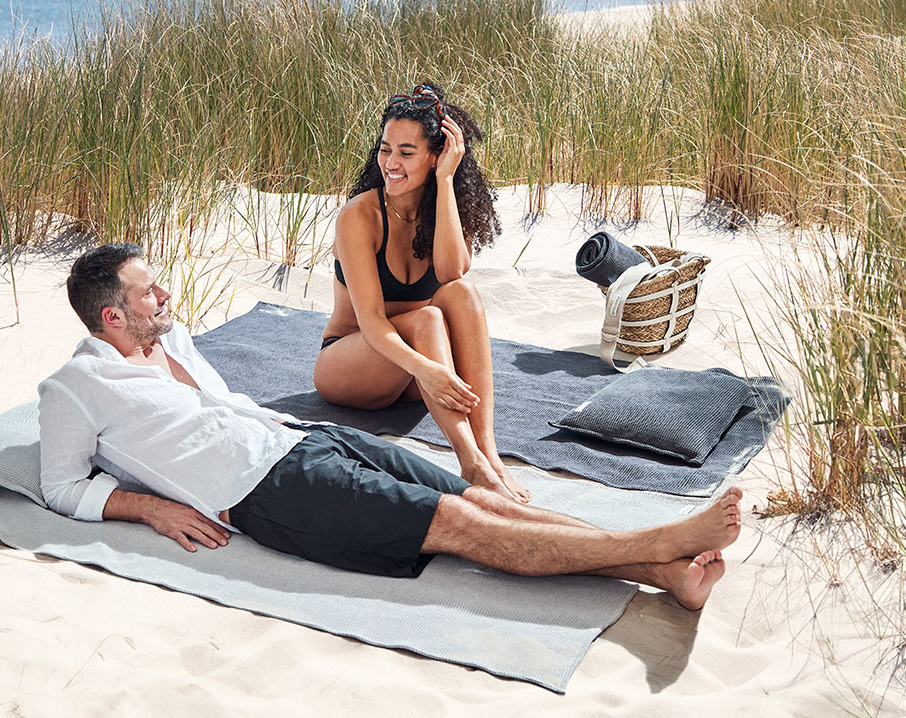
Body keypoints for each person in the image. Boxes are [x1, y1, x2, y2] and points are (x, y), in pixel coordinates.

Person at [38, 243, 741, 608]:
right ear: (113, 316)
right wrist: (150, 507)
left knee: (483, 500)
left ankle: (663, 572)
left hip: (302, 438)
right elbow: (61, 485)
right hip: (269, 492)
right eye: (149, 292)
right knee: (462, 526)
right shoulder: (75, 387)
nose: (166, 295)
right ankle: (661, 540)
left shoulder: (172, 339)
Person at [314, 82, 530, 502]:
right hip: (353, 363)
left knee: (462, 293)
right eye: (385, 149)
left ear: (436, 155)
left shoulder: (446, 207)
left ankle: (489, 452)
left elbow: (452, 272)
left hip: (417, 373)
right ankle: (470, 462)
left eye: (407, 153)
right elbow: (372, 323)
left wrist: (445, 180)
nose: (391, 163)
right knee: (429, 317)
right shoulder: (359, 216)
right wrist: (428, 370)